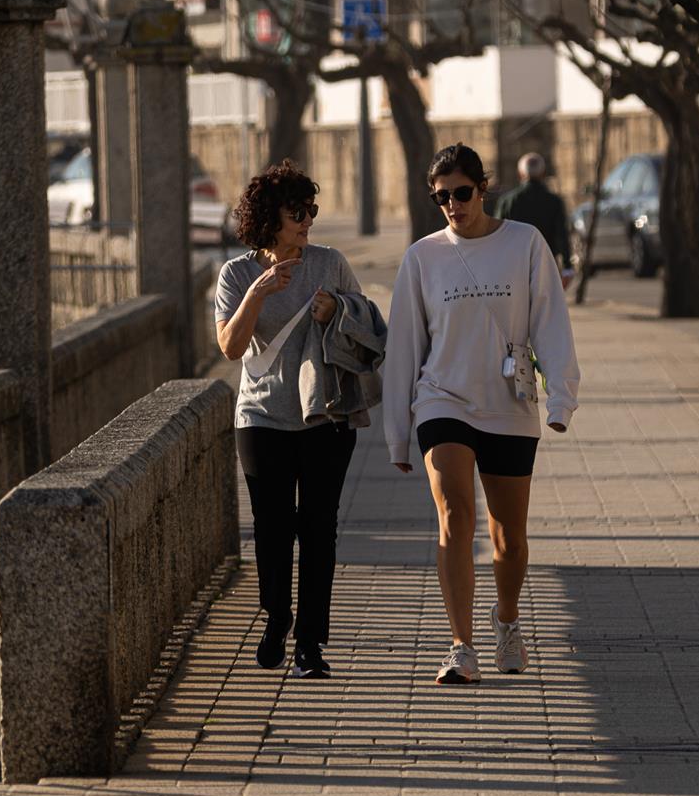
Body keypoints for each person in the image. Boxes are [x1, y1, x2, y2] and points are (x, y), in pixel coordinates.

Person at [385, 143, 581, 685]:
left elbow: (551, 323)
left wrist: (561, 397)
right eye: (441, 197)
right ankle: (460, 646)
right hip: (442, 399)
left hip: (508, 405)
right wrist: (398, 435)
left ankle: (508, 621)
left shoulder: (524, 244)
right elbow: (404, 345)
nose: (453, 204)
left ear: (483, 188)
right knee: (455, 516)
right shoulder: (422, 257)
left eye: (462, 192)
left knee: (509, 538)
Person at [215, 161, 362, 679]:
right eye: (296, 212)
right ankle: (277, 616)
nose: (307, 220)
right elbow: (231, 348)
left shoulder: (331, 263)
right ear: (268, 219)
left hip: (325, 415)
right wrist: (259, 293)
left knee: (319, 528)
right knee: (273, 527)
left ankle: (310, 644)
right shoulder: (236, 274)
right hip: (260, 417)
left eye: (311, 211)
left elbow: (363, 327)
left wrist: (335, 313)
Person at [492, 152, 575, 289]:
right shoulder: (554, 202)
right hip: (546, 264)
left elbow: (497, 235)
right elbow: (561, 234)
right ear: (543, 173)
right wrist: (567, 266)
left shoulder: (507, 202)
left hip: (514, 266)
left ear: (520, 174)